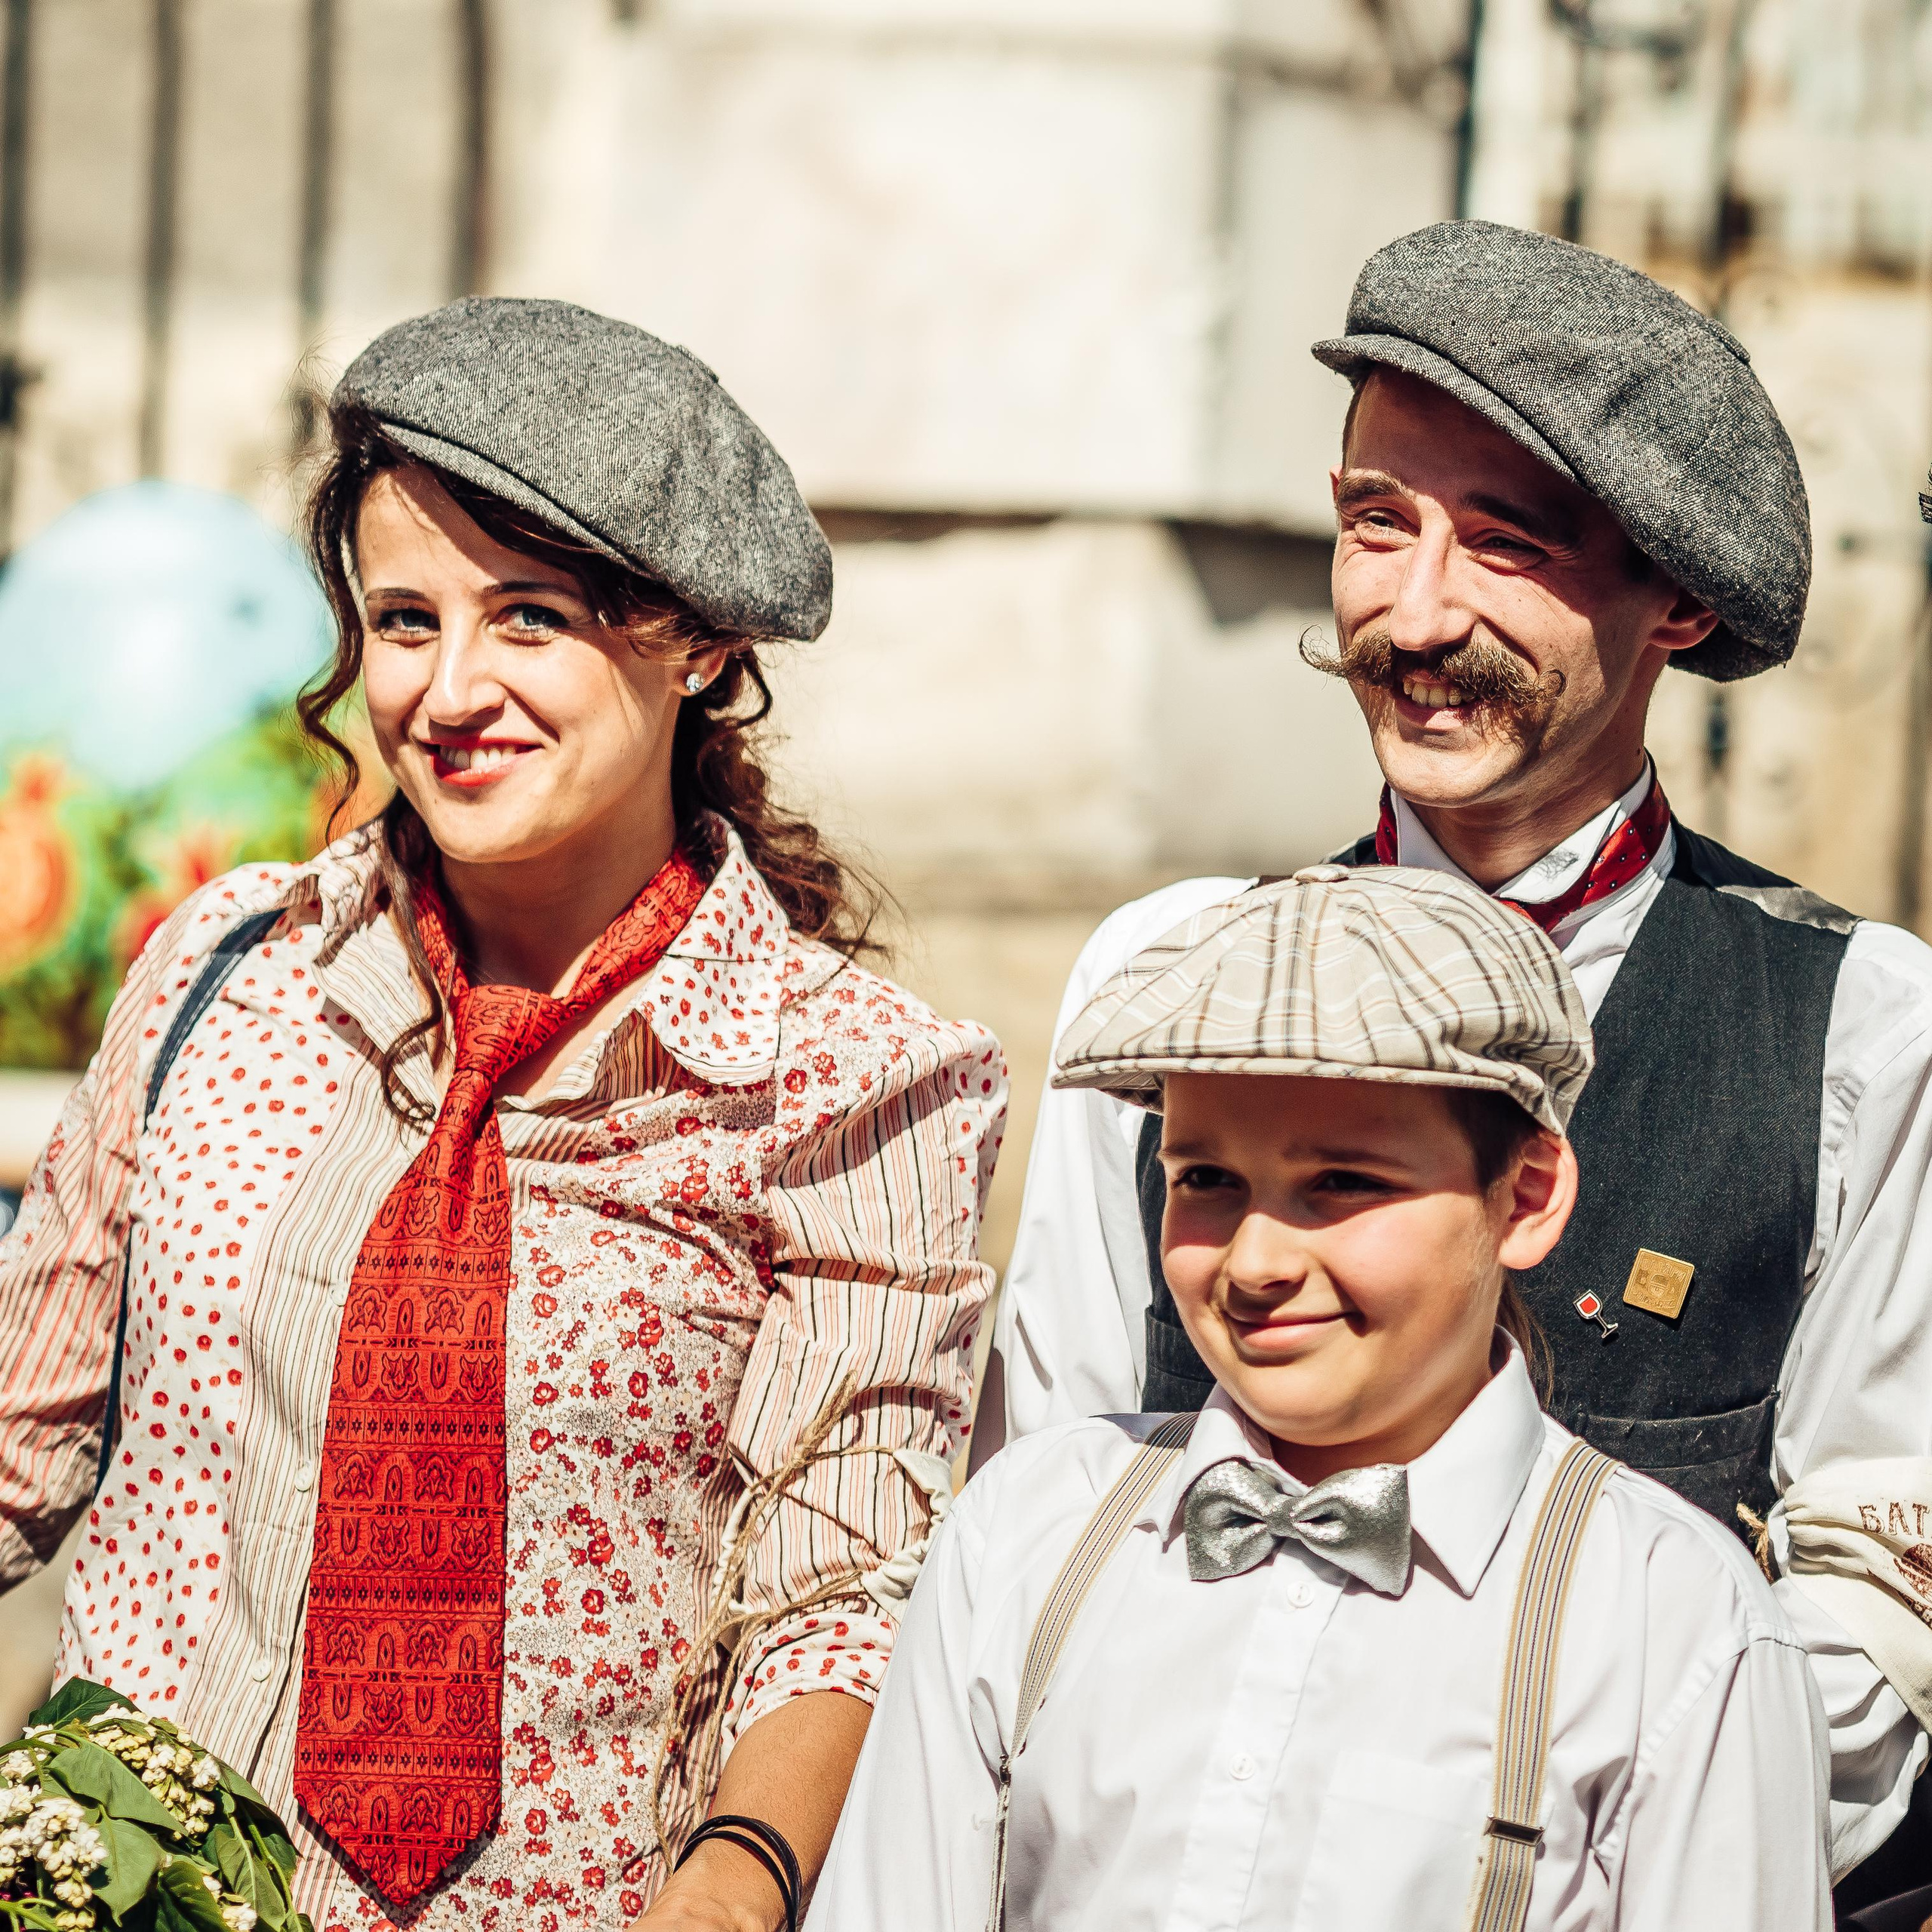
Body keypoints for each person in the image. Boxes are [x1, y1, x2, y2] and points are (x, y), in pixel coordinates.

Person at [0, 297, 1007, 1932]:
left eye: (529, 618)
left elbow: (835, 1591)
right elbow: (18, 1436)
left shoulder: (853, 1079)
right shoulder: (223, 969)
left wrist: (733, 1889)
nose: (450, 690)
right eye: (405, 620)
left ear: (699, 646)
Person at [983, 220, 1932, 1897]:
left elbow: (1879, 1610)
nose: (1414, 614)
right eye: (1376, 522)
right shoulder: (1159, 977)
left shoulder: (1860, 1024)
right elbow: (1044, 1525)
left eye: (1505, 545)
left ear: (1680, 597)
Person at [817, 866, 1832, 1932]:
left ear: (1526, 1198)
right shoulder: (1026, 1532)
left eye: (1343, 1183)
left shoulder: (1673, 1623)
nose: (1257, 1262)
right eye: (1205, 1180)